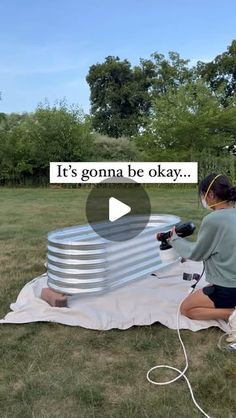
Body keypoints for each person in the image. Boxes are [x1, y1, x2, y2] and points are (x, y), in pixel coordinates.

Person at [168, 173, 236, 322]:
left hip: (229, 289)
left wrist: (174, 239)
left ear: (210, 194)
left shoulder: (213, 219)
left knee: (186, 309)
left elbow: (196, 253)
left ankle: (231, 314)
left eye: (203, 196)